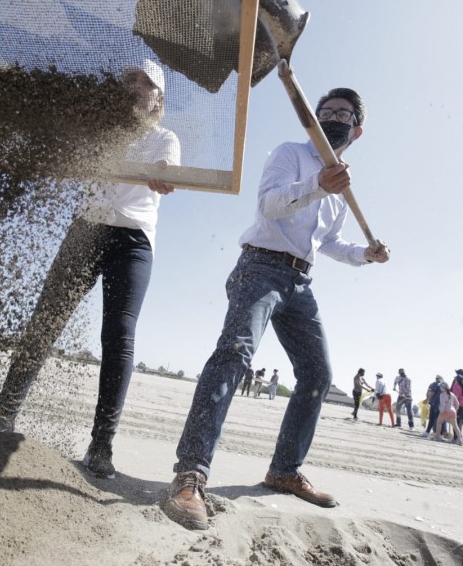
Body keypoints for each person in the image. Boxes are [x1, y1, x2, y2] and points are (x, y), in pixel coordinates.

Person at [162, 87, 390, 530]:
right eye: (325, 112)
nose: (333, 117)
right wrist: (315, 186)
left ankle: (284, 469)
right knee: (234, 354)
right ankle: (190, 475)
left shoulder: (344, 185)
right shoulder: (291, 154)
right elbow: (268, 205)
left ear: (356, 130)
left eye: (343, 114)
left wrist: (366, 254)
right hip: (261, 267)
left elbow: (327, 244)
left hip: (301, 281)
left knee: (318, 374)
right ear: (313, 118)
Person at [0, 59, 180, 480]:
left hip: (131, 241)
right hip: (85, 231)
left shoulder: (164, 138)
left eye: (144, 83)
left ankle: (101, 445)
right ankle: (3, 414)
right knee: (46, 321)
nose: (134, 88)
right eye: (127, 80)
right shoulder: (96, 129)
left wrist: (163, 176)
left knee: (118, 334)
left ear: (158, 97)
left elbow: (167, 168)